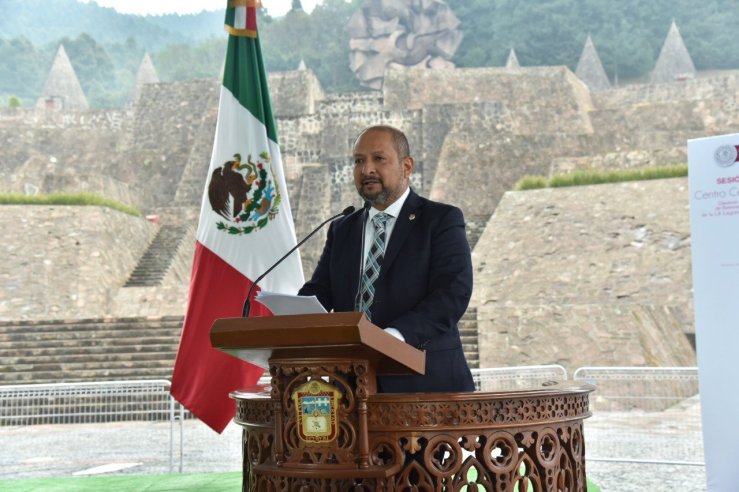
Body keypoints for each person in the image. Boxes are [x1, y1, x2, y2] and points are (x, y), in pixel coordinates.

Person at [298, 125, 475, 393]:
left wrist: (391, 338)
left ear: (406, 166)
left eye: (378, 159)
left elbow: (453, 293)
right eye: (359, 161)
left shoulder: (440, 220)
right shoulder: (342, 228)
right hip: (352, 388)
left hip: (426, 386)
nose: (366, 169)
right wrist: (288, 315)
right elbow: (321, 292)